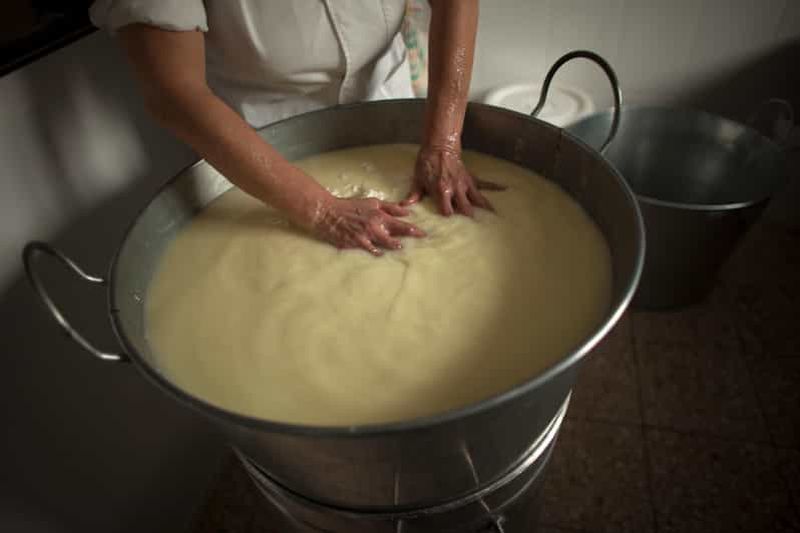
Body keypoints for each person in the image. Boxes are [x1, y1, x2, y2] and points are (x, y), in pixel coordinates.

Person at [90, 0, 501, 256]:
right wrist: (323, 212)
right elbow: (175, 93)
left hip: (388, 99)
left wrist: (444, 142)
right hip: (260, 151)